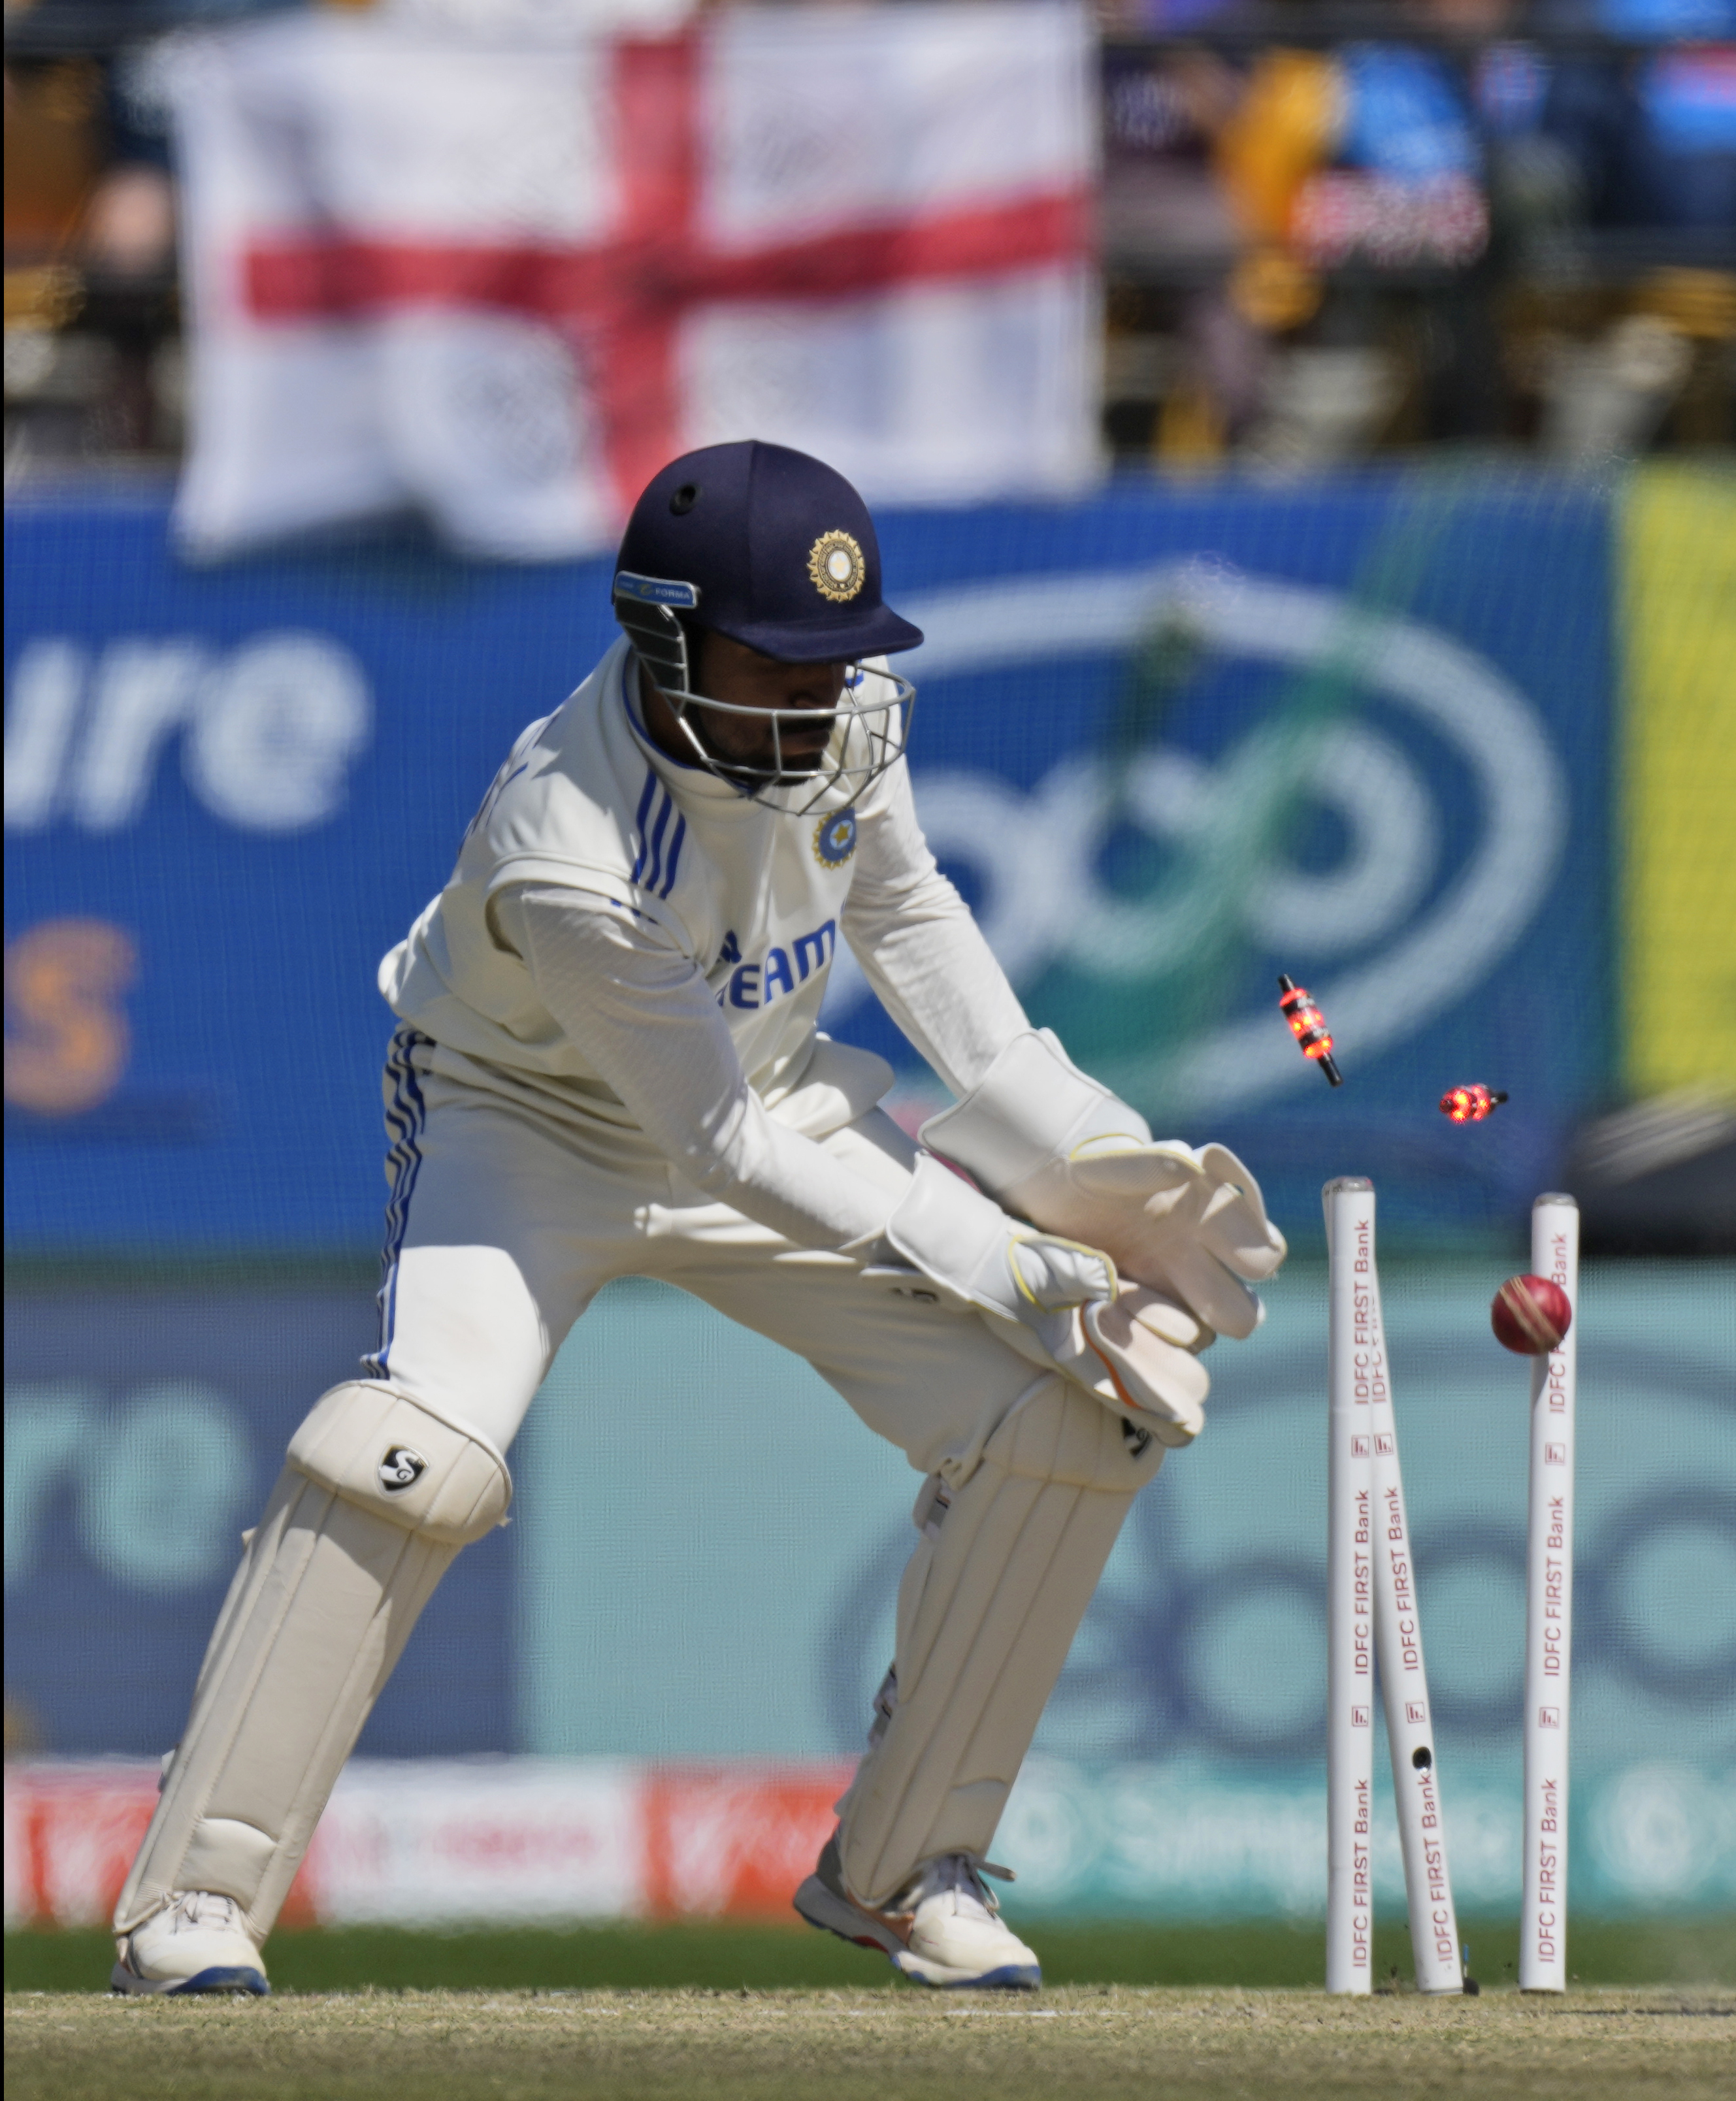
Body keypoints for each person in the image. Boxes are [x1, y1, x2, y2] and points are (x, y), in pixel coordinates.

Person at [108, 440, 1285, 1996]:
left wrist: (1080, 1153)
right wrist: (997, 1255)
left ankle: (906, 1869)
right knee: (412, 1455)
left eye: (832, 662)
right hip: (529, 1125)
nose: (814, 699)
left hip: (775, 1098)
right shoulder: (569, 846)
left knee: (1071, 1421)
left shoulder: (847, 715)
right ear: (666, 640)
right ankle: (194, 1902)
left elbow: (905, 910)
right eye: (774, 661)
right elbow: (713, 1144)